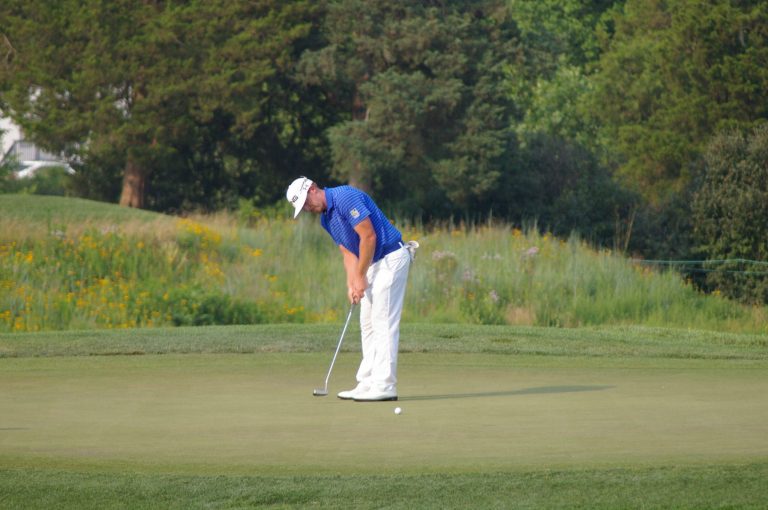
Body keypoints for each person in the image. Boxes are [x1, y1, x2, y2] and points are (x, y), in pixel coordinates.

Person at [286, 176, 418, 402]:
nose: (307, 209)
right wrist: (352, 282)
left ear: (312, 189)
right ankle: (367, 382)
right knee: (367, 324)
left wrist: (360, 275)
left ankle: (385, 385)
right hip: (373, 264)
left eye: (306, 203)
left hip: (391, 258)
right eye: (303, 208)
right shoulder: (326, 220)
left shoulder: (345, 196)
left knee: (382, 322)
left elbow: (369, 237)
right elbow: (348, 253)